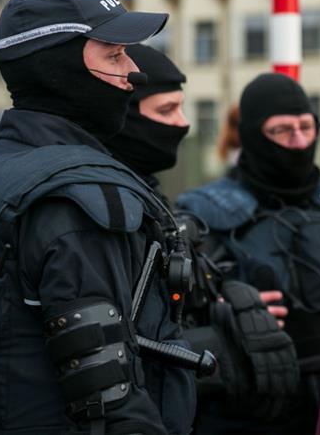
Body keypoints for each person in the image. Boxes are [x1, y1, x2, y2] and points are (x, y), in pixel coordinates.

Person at [0, 0, 199, 434]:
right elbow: (109, 399)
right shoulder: (80, 198)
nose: (134, 72)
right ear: (60, 69)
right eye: (114, 55)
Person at [103, 45, 301, 427]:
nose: (181, 123)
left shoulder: (143, 193)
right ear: (125, 116)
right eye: (165, 110)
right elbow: (119, 342)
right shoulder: (109, 204)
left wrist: (231, 310)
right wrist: (224, 344)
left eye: (180, 107)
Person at [176, 72, 320, 434]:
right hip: (246, 409)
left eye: (306, 127)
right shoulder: (202, 215)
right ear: (252, 135)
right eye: (281, 130)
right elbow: (172, 315)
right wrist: (227, 311)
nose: (298, 141)